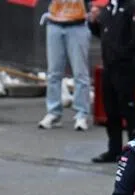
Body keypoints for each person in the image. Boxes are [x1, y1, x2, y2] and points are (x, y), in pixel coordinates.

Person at [88, 0, 135, 163]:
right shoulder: (107, 9)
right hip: (109, 67)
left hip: (125, 67)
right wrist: (93, 23)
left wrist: (122, 53)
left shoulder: (133, 7)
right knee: (111, 109)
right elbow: (104, 34)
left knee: (128, 108)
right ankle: (114, 150)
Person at [38, 0, 91, 131]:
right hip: (54, 23)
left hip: (78, 24)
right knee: (54, 73)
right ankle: (53, 112)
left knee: (80, 72)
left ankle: (81, 114)